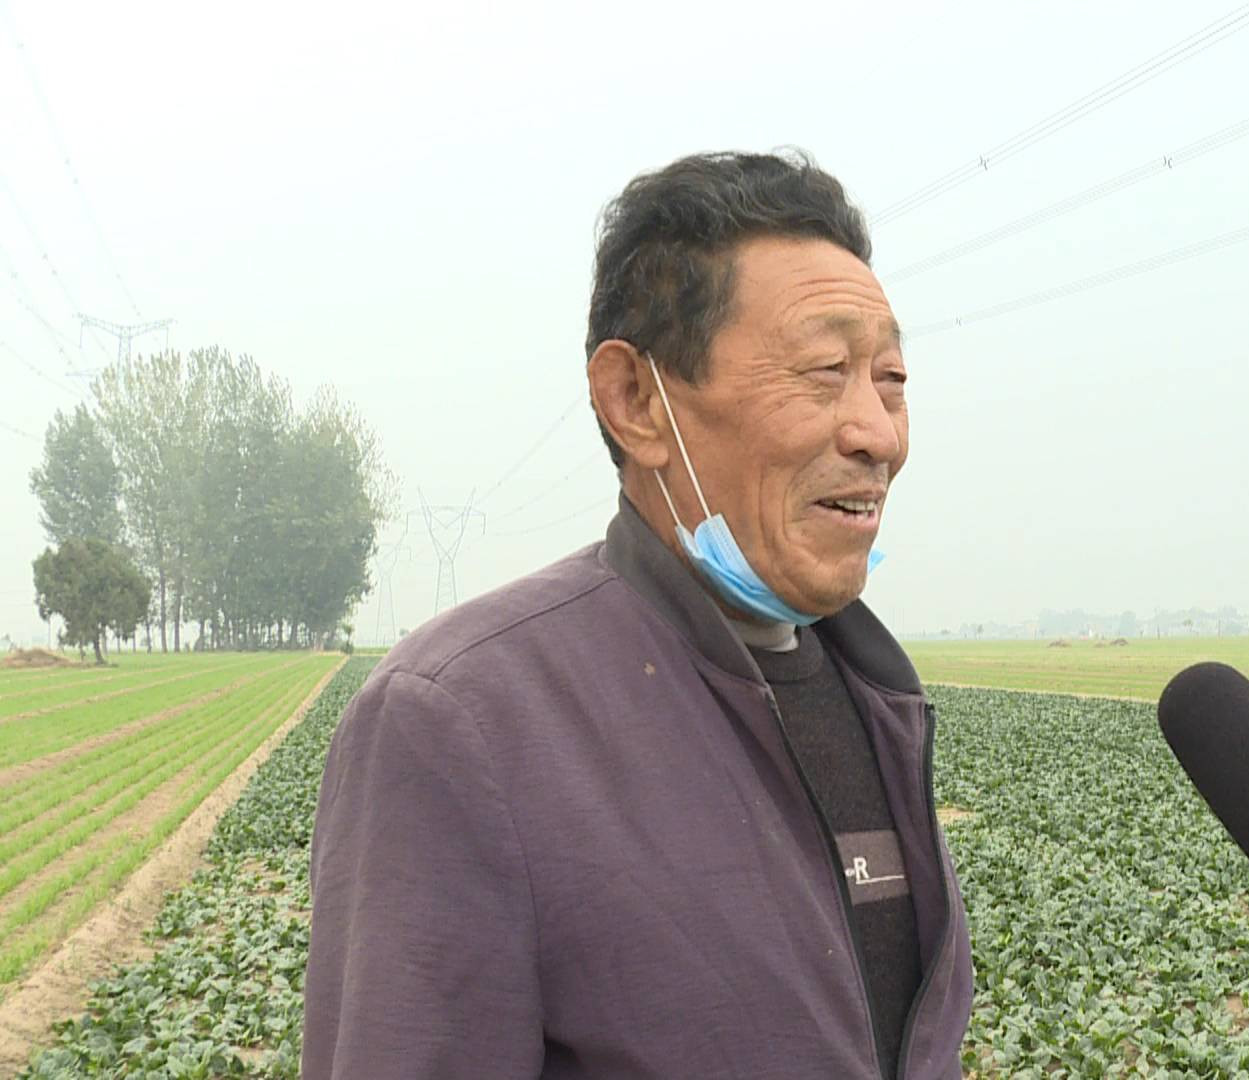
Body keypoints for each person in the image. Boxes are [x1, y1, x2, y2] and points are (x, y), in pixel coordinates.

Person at [302, 150, 973, 1079]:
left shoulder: (875, 699)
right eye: (825, 370)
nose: (879, 433)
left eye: (890, 378)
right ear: (635, 403)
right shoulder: (464, 720)